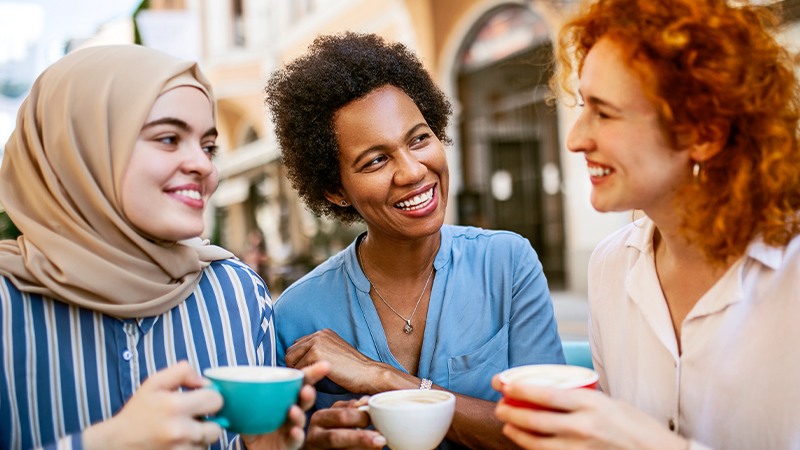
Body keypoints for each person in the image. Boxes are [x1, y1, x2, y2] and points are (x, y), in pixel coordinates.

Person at [492, 0, 800, 449]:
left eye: (605, 111)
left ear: (704, 132)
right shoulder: (610, 267)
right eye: (581, 104)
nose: (575, 139)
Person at [0, 44, 328, 450]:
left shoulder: (237, 295)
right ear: (81, 151)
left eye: (208, 147)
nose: (204, 165)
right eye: (169, 138)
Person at [265, 32, 564, 449]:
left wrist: (385, 379)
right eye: (376, 160)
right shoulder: (295, 315)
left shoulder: (506, 264)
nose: (412, 171)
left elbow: (553, 434)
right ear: (335, 189)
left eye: (419, 139)